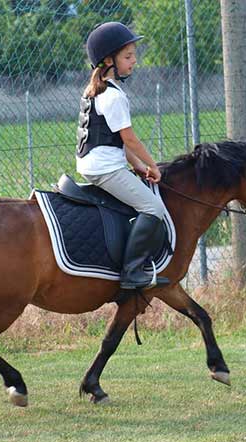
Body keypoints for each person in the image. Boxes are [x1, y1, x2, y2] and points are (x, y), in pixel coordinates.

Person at [77, 22, 169, 290]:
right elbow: (129, 138)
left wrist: (139, 167)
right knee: (153, 208)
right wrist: (154, 166)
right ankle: (132, 272)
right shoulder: (113, 96)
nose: (134, 61)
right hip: (105, 169)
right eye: (128, 56)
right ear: (108, 60)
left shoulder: (98, 89)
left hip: (96, 162)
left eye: (133, 55)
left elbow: (114, 138)